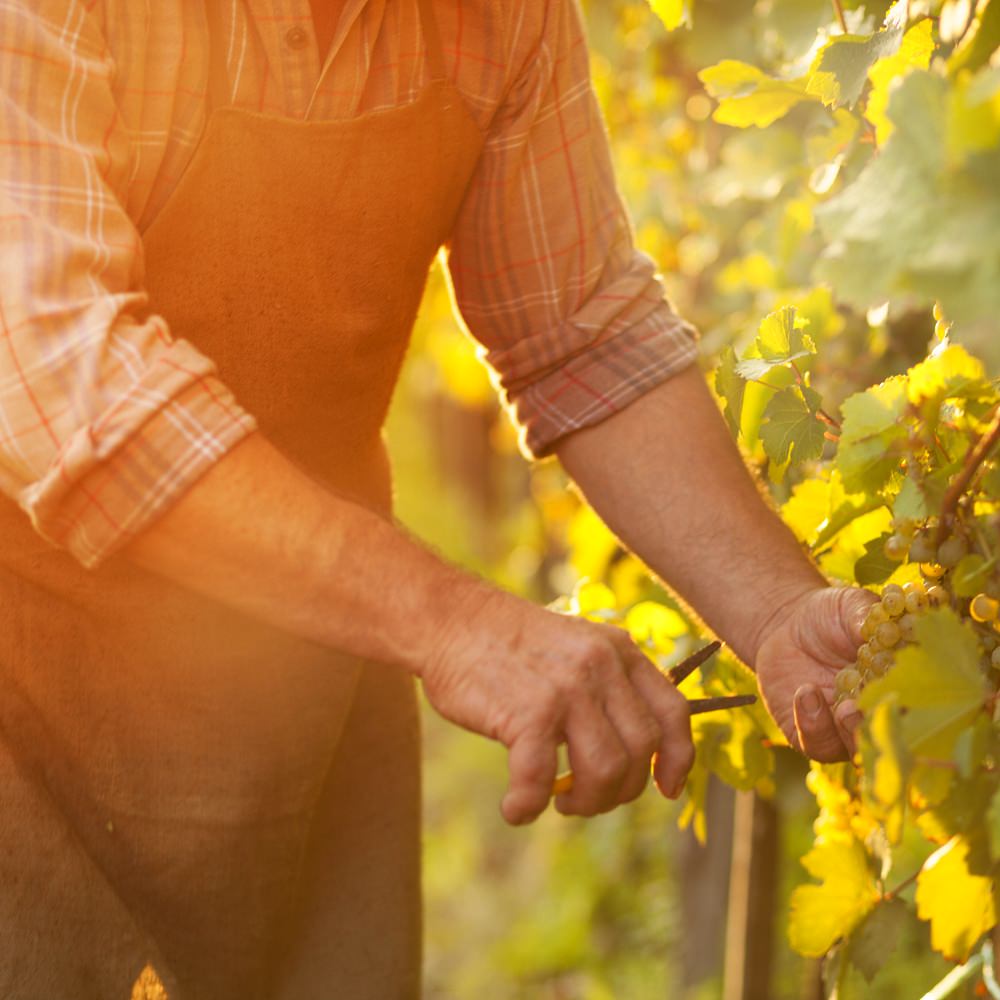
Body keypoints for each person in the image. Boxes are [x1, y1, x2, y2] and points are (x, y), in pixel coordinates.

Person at [0, 1, 871, 998]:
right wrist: (452, 623)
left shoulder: (502, 17)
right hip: (25, 722)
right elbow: (54, 377)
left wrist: (775, 612)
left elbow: (583, 334)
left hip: (305, 720)